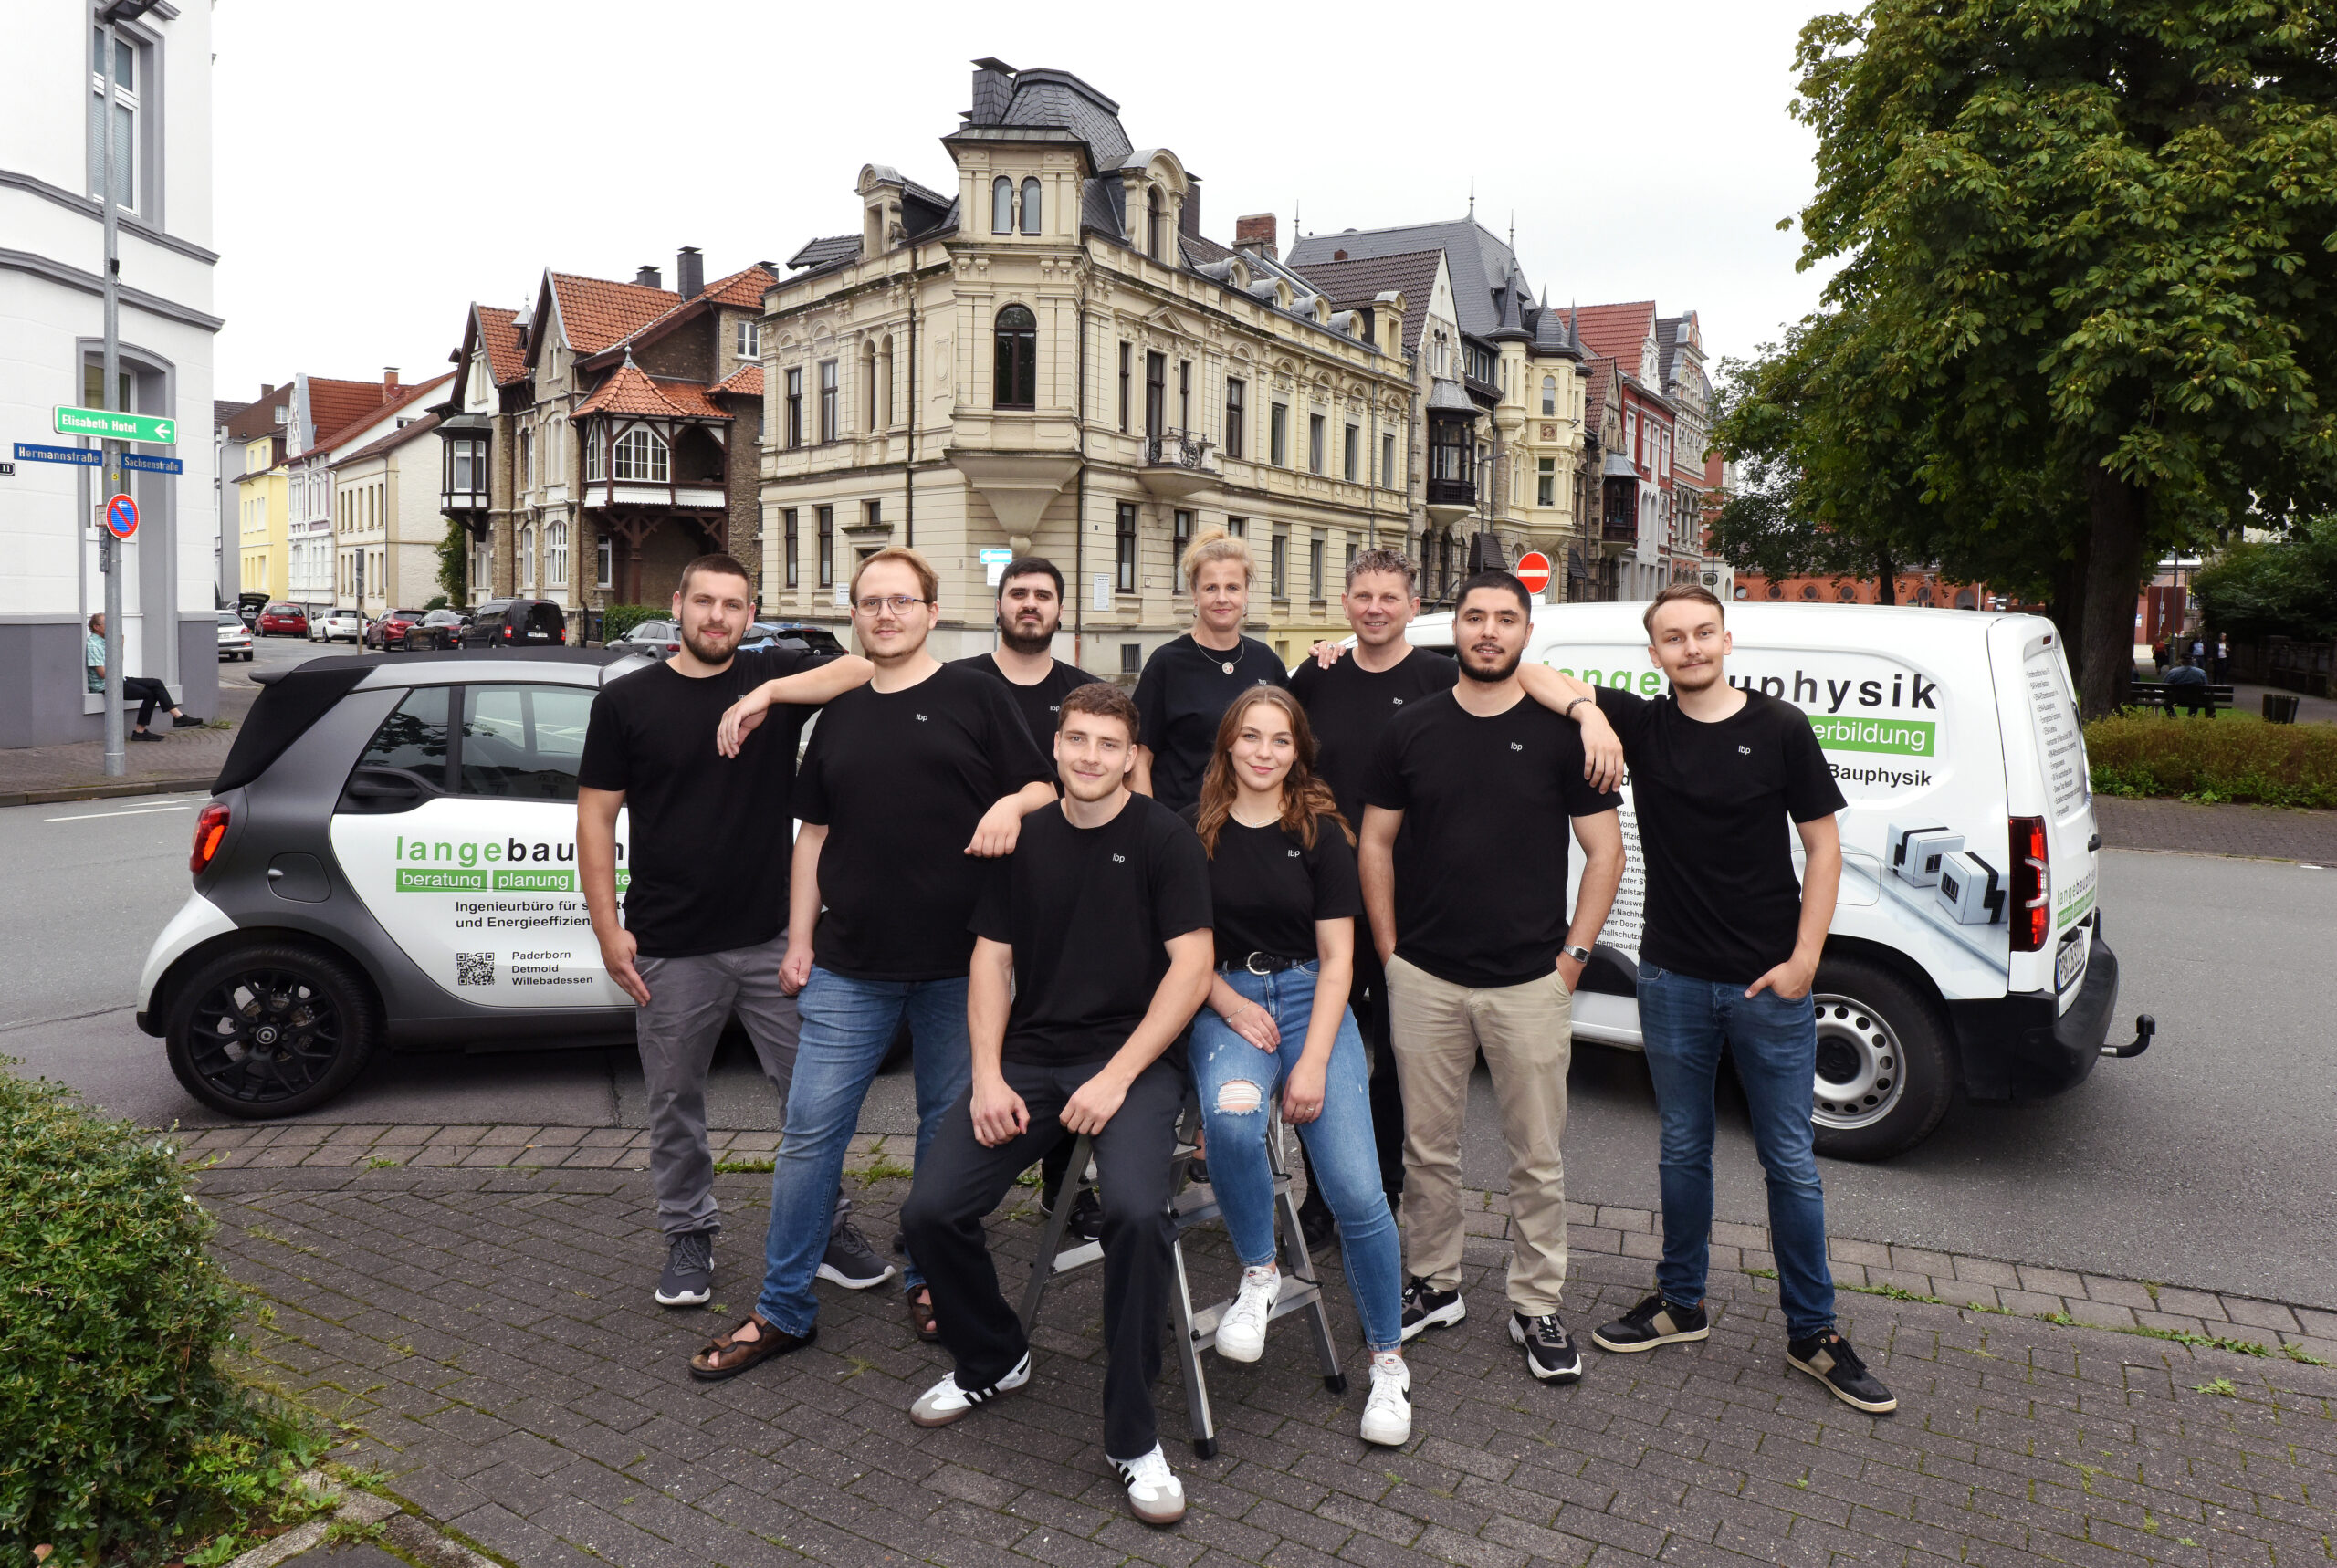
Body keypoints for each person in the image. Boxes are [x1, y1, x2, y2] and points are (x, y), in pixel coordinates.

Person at [686, 549, 1053, 1375]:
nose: (886, 614)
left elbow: (1043, 785)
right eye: (871, 603)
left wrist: (1009, 802)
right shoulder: (841, 713)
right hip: (850, 966)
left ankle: (932, 1279)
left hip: (962, 968)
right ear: (854, 617)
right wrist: (801, 941)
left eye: (902, 601)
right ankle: (783, 1307)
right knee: (810, 1136)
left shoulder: (976, 693)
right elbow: (813, 836)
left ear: (931, 612)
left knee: (944, 1134)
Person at [1537, 584, 1897, 1415]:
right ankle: (1681, 1302)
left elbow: (1824, 847)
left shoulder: (1779, 728)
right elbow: (1530, 674)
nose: (1691, 647)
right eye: (1674, 637)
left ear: (1727, 640)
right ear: (1654, 654)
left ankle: (1813, 1332)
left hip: (1767, 984)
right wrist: (1590, 714)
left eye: (1704, 633)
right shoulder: (1643, 725)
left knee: (1790, 1163)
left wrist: (1806, 960)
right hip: (1670, 978)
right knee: (1682, 1149)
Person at [898, 682, 1213, 1526]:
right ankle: (994, 1358)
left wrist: (1118, 1076)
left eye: (1109, 744)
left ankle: (1132, 1438)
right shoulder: (1027, 838)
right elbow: (990, 961)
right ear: (1058, 746)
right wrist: (988, 1074)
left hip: (1134, 1062)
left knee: (1138, 1217)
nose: (1090, 757)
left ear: (1131, 756)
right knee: (930, 1210)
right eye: (1078, 740)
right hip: (1031, 1060)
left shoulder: (1165, 838)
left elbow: (1192, 969)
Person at [577, 554, 890, 1308]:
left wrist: (769, 694)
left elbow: (862, 668)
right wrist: (607, 927)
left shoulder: (769, 677)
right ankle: (689, 1234)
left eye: (732, 605)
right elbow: (595, 816)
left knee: (811, 1103)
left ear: (750, 616)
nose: (716, 616)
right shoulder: (627, 701)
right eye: (704, 602)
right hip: (669, 942)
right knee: (674, 1102)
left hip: (772, 938)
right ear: (677, 605)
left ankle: (826, 1229)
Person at [1358, 570, 1626, 1385]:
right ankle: (1434, 1283)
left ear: (1526, 632)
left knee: (1536, 1157)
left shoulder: (1562, 734)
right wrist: (1392, 951)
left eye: (1506, 618)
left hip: (1530, 982)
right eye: (1474, 616)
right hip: (1425, 978)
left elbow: (1606, 853)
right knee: (1426, 1149)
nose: (1488, 631)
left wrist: (1573, 959)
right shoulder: (1410, 729)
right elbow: (1375, 844)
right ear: (1456, 628)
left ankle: (1536, 1304)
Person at [1181, 686, 1411, 1447]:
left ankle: (1387, 1362)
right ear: (1228, 744)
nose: (1264, 752)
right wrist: (1224, 1001)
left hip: (1315, 999)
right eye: (1250, 737)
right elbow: (1178, 945)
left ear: (1297, 752)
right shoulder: (1195, 830)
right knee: (1233, 1120)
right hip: (1227, 999)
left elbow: (1341, 958)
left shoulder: (1319, 832)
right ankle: (1259, 1272)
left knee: (1357, 1192)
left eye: (1280, 740)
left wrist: (1312, 1062)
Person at [951, 556, 1106, 1242]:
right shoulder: (960, 682)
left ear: (1060, 610)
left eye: (1044, 594)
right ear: (999, 605)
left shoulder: (1084, 693)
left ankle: (1065, 1186)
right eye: (1018, 593)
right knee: (967, 1048)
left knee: (1061, 1038)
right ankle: (954, 1193)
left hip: (1064, 897)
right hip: (968, 886)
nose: (1030, 604)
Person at [1132, 531, 1286, 813]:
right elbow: (1140, 759)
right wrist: (1150, 826)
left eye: (1232, 587)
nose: (1222, 598)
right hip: (1182, 823)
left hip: (1252, 823)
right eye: (1211, 588)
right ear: (1195, 594)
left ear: (1246, 594)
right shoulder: (1167, 663)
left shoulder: (1265, 660)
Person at [86, 612, 202, 740]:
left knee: (156, 683)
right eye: (107, 624)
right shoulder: (93, 645)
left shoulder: (106, 642)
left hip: (118, 679)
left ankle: (177, 717)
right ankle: (142, 731)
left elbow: (118, 663)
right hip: (106, 685)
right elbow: (103, 674)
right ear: (96, 627)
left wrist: (120, 646)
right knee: (150, 694)